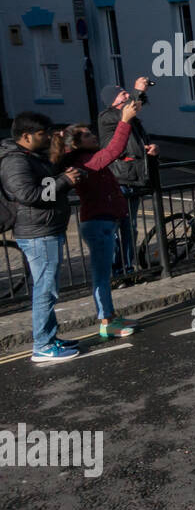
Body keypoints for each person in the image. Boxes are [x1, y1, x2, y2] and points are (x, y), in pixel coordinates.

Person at [0, 113, 84, 362]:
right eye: (42, 133)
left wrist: (62, 175)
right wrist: (63, 181)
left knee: (48, 288)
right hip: (38, 233)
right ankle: (43, 345)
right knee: (46, 290)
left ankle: (50, 337)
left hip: (45, 230)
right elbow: (29, 194)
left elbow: (42, 184)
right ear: (26, 136)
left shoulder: (30, 156)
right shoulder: (15, 161)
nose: (48, 136)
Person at [57, 104, 143, 339]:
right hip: (97, 224)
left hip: (104, 222)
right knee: (101, 276)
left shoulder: (89, 159)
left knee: (104, 274)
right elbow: (113, 150)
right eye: (87, 135)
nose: (93, 135)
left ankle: (111, 316)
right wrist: (124, 120)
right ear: (75, 144)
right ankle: (106, 322)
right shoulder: (83, 162)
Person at [96, 75, 156, 275]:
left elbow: (138, 142)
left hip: (134, 178)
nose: (128, 95)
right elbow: (129, 111)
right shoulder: (107, 116)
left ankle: (128, 268)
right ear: (114, 100)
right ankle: (115, 270)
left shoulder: (133, 120)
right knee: (115, 227)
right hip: (120, 179)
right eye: (123, 94)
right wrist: (138, 91)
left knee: (130, 227)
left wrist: (150, 148)